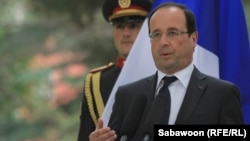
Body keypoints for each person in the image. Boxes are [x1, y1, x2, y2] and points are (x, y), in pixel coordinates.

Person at [89, 2, 244, 141]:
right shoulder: (127, 95)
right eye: (156, 35)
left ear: (194, 38)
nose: (163, 42)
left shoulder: (221, 94)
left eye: (172, 33)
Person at [77, 0, 152, 140]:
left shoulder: (164, 74)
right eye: (119, 26)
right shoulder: (97, 81)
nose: (125, 33)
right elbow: (84, 135)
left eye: (133, 26)